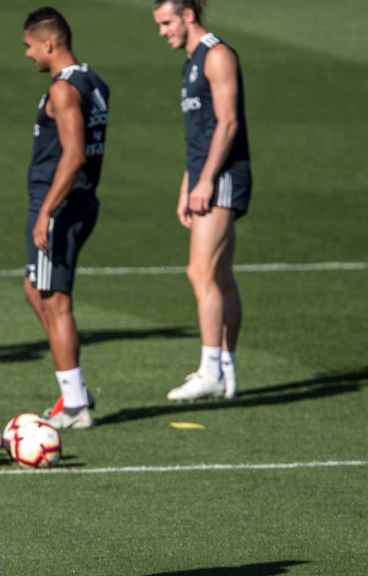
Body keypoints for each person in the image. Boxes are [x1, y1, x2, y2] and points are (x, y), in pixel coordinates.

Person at [153, 0, 250, 401]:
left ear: (188, 16)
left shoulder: (217, 55)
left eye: (167, 22)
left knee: (200, 272)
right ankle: (226, 369)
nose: (163, 32)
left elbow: (227, 123)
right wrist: (187, 184)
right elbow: (200, 133)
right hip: (206, 176)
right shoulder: (191, 61)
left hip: (223, 177)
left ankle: (209, 368)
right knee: (222, 277)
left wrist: (207, 180)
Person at [20, 7, 110, 430]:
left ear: (49, 43)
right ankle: (73, 384)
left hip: (59, 205)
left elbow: (73, 155)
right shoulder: (94, 82)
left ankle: (75, 404)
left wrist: (47, 212)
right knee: (35, 291)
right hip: (79, 201)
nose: (27, 54)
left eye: (29, 46)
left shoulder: (63, 90)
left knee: (54, 300)